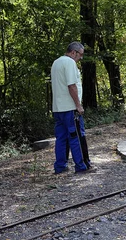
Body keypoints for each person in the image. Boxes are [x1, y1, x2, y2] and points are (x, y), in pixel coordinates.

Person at [51, 42, 93, 174]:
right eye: (80, 54)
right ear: (73, 52)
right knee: (77, 137)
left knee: (61, 138)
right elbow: (71, 85)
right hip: (70, 108)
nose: (80, 58)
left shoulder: (56, 63)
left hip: (58, 108)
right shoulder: (69, 63)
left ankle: (60, 166)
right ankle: (81, 166)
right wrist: (78, 105)